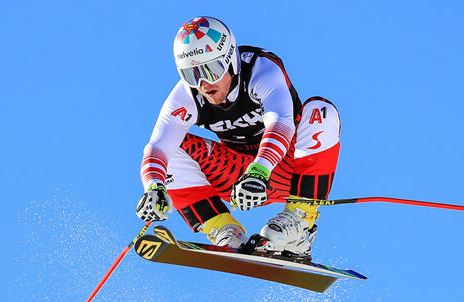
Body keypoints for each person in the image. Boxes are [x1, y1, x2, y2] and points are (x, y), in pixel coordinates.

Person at [136, 16, 340, 257]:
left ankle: (298, 221)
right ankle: (225, 231)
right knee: (173, 149)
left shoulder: (260, 70)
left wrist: (260, 171)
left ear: (230, 60)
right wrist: (153, 186)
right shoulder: (187, 95)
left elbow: (281, 123)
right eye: (191, 75)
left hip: (287, 166)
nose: (203, 84)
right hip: (238, 177)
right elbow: (158, 146)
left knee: (321, 111)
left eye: (211, 70)